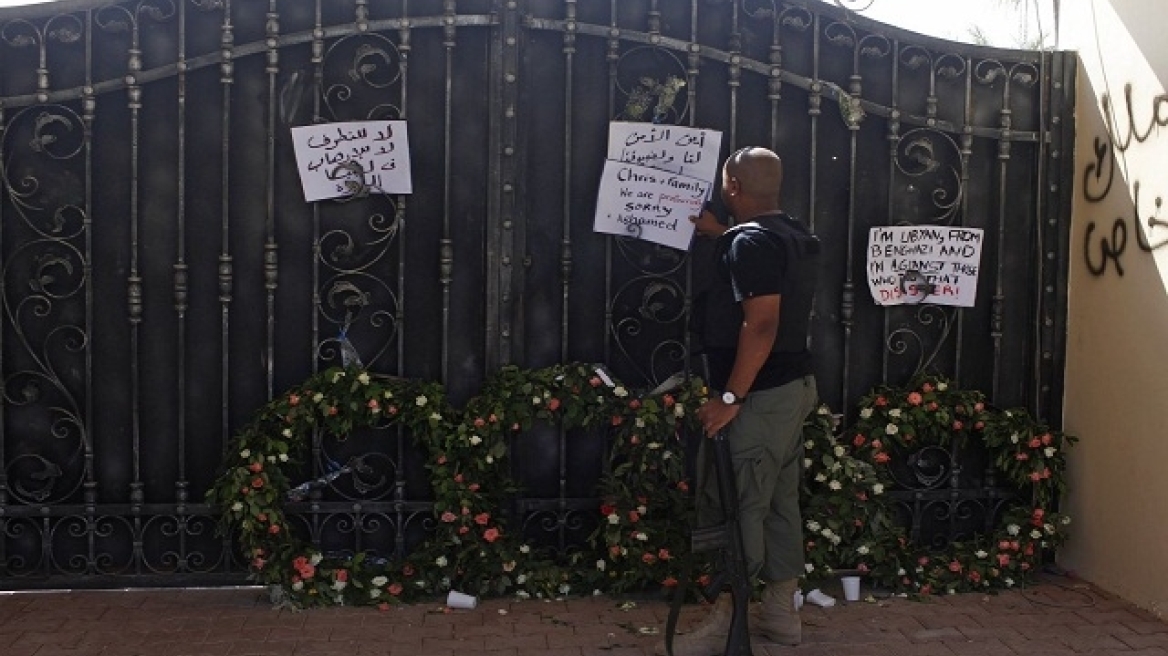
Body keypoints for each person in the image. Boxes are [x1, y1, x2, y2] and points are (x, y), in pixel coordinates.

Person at [661, 146, 820, 656]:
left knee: (739, 505)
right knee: (778, 501)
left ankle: (729, 625)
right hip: (791, 390)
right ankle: (780, 615)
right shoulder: (791, 234)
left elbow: (763, 322)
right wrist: (720, 236)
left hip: (758, 394)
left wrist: (731, 396)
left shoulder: (750, 244)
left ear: (732, 186)